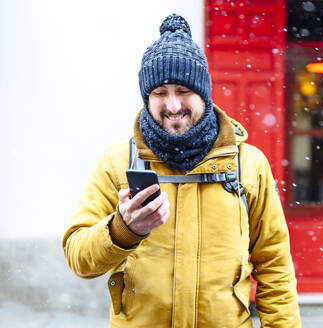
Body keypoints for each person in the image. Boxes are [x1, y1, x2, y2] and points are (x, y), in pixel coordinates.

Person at [62, 13, 301, 328]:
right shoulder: (116, 164)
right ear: (147, 98)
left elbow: (275, 268)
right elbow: (79, 258)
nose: (173, 105)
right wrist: (123, 229)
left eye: (183, 91)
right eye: (160, 93)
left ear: (203, 92)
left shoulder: (249, 164)